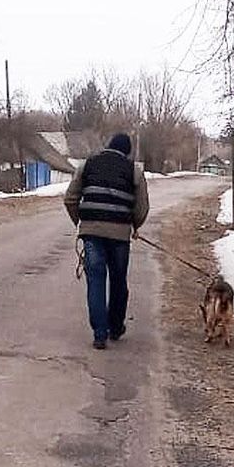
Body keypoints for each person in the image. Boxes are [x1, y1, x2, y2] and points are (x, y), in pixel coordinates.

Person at [64, 133, 150, 349]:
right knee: (119, 281)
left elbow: (70, 198)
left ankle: (99, 334)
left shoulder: (88, 165)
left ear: (108, 146)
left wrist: (82, 222)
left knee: (96, 281)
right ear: (127, 151)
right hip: (120, 235)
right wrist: (135, 226)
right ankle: (115, 327)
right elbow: (142, 207)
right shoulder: (134, 171)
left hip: (92, 234)